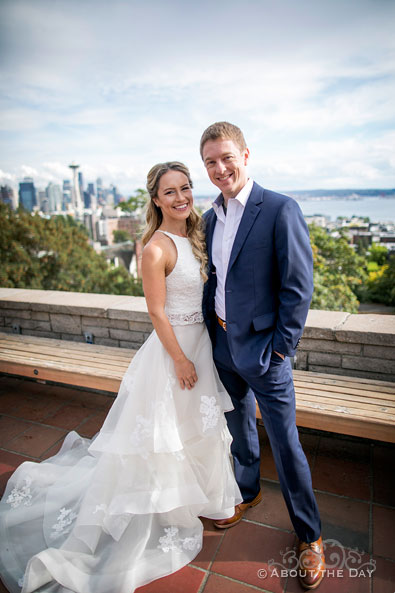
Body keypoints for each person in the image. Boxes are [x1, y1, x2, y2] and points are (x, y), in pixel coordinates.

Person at [0, 161, 241, 593]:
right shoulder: (155, 247)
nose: (181, 197)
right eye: (170, 192)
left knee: (201, 426)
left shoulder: (199, 234)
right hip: (174, 352)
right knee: (166, 433)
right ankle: (167, 503)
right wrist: (181, 360)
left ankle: (209, 498)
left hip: (204, 346)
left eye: (185, 188)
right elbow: (155, 312)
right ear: (155, 199)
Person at [200, 122, 325, 590]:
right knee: (238, 430)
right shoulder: (209, 217)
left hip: (266, 354)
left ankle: (309, 535)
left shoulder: (278, 209)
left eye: (226, 157)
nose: (219, 168)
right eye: (210, 161)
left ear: (246, 156)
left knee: (286, 444)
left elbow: (298, 286)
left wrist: (280, 349)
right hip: (223, 346)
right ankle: (247, 492)